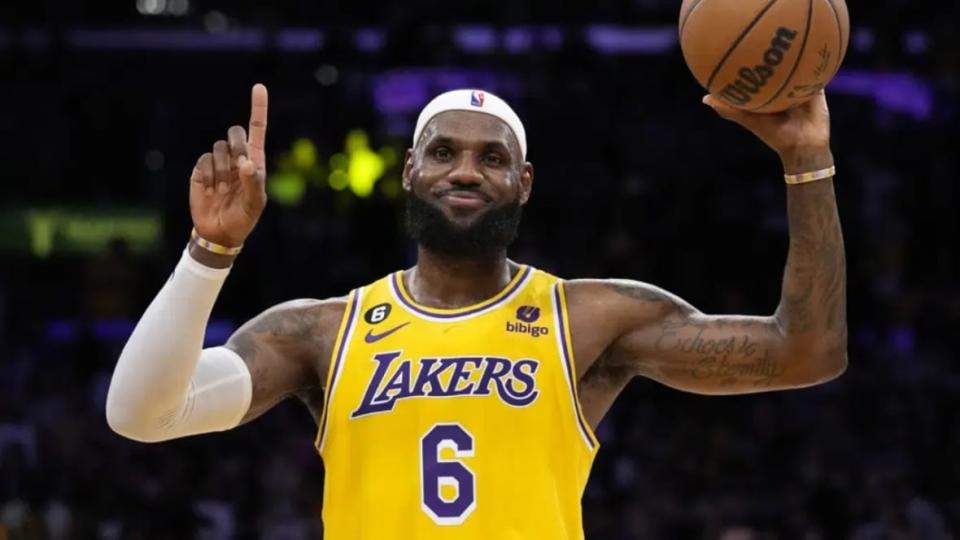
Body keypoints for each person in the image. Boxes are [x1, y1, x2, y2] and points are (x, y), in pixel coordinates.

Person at [106, 84, 847, 538]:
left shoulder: (587, 318)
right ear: (410, 172)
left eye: (491, 158)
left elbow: (807, 351)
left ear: (524, 182)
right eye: (443, 153)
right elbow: (141, 413)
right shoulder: (320, 332)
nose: (465, 170)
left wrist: (806, 161)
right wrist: (208, 252)